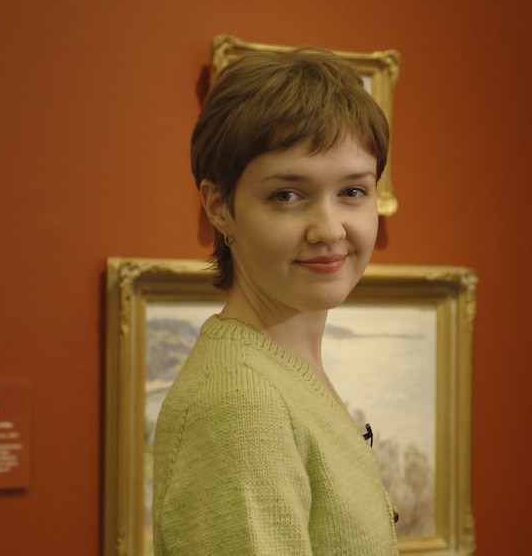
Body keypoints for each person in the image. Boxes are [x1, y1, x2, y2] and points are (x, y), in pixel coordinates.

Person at [152, 46, 399, 555]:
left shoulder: (284, 371)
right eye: (287, 195)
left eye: (353, 192)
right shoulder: (242, 406)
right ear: (220, 206)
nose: (329, 229)